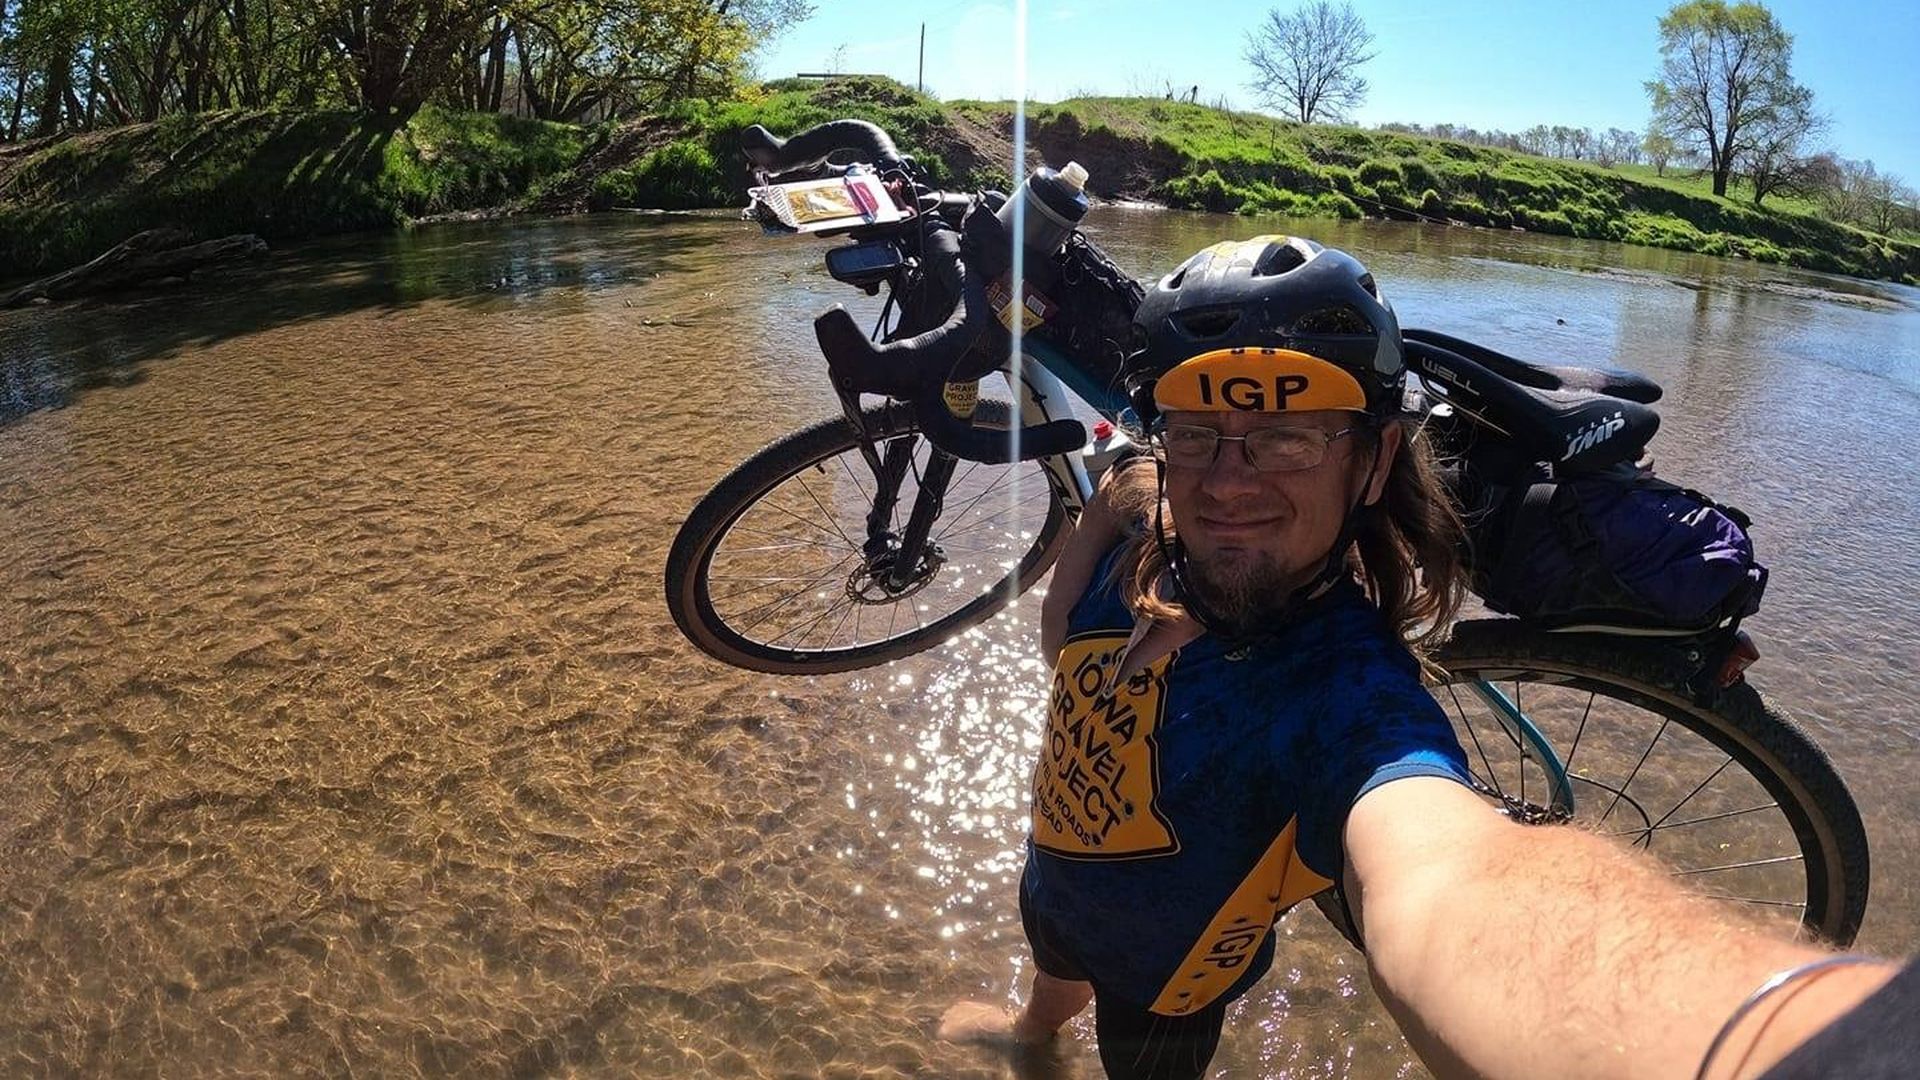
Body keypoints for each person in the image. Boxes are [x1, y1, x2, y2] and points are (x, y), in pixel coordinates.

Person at [936, 235, 1904, 1079]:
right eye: (1202, 432)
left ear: (1374, 459)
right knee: (1054, 961)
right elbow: (1122, 489)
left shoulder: (1347, 698)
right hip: (1058, 874)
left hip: (1169, 976)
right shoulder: (1154, 505)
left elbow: (1453, 881)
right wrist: (1069, 630)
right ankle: (1032, 1035)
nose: (1228, 482)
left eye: (1289, 437)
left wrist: (1794, 1049)